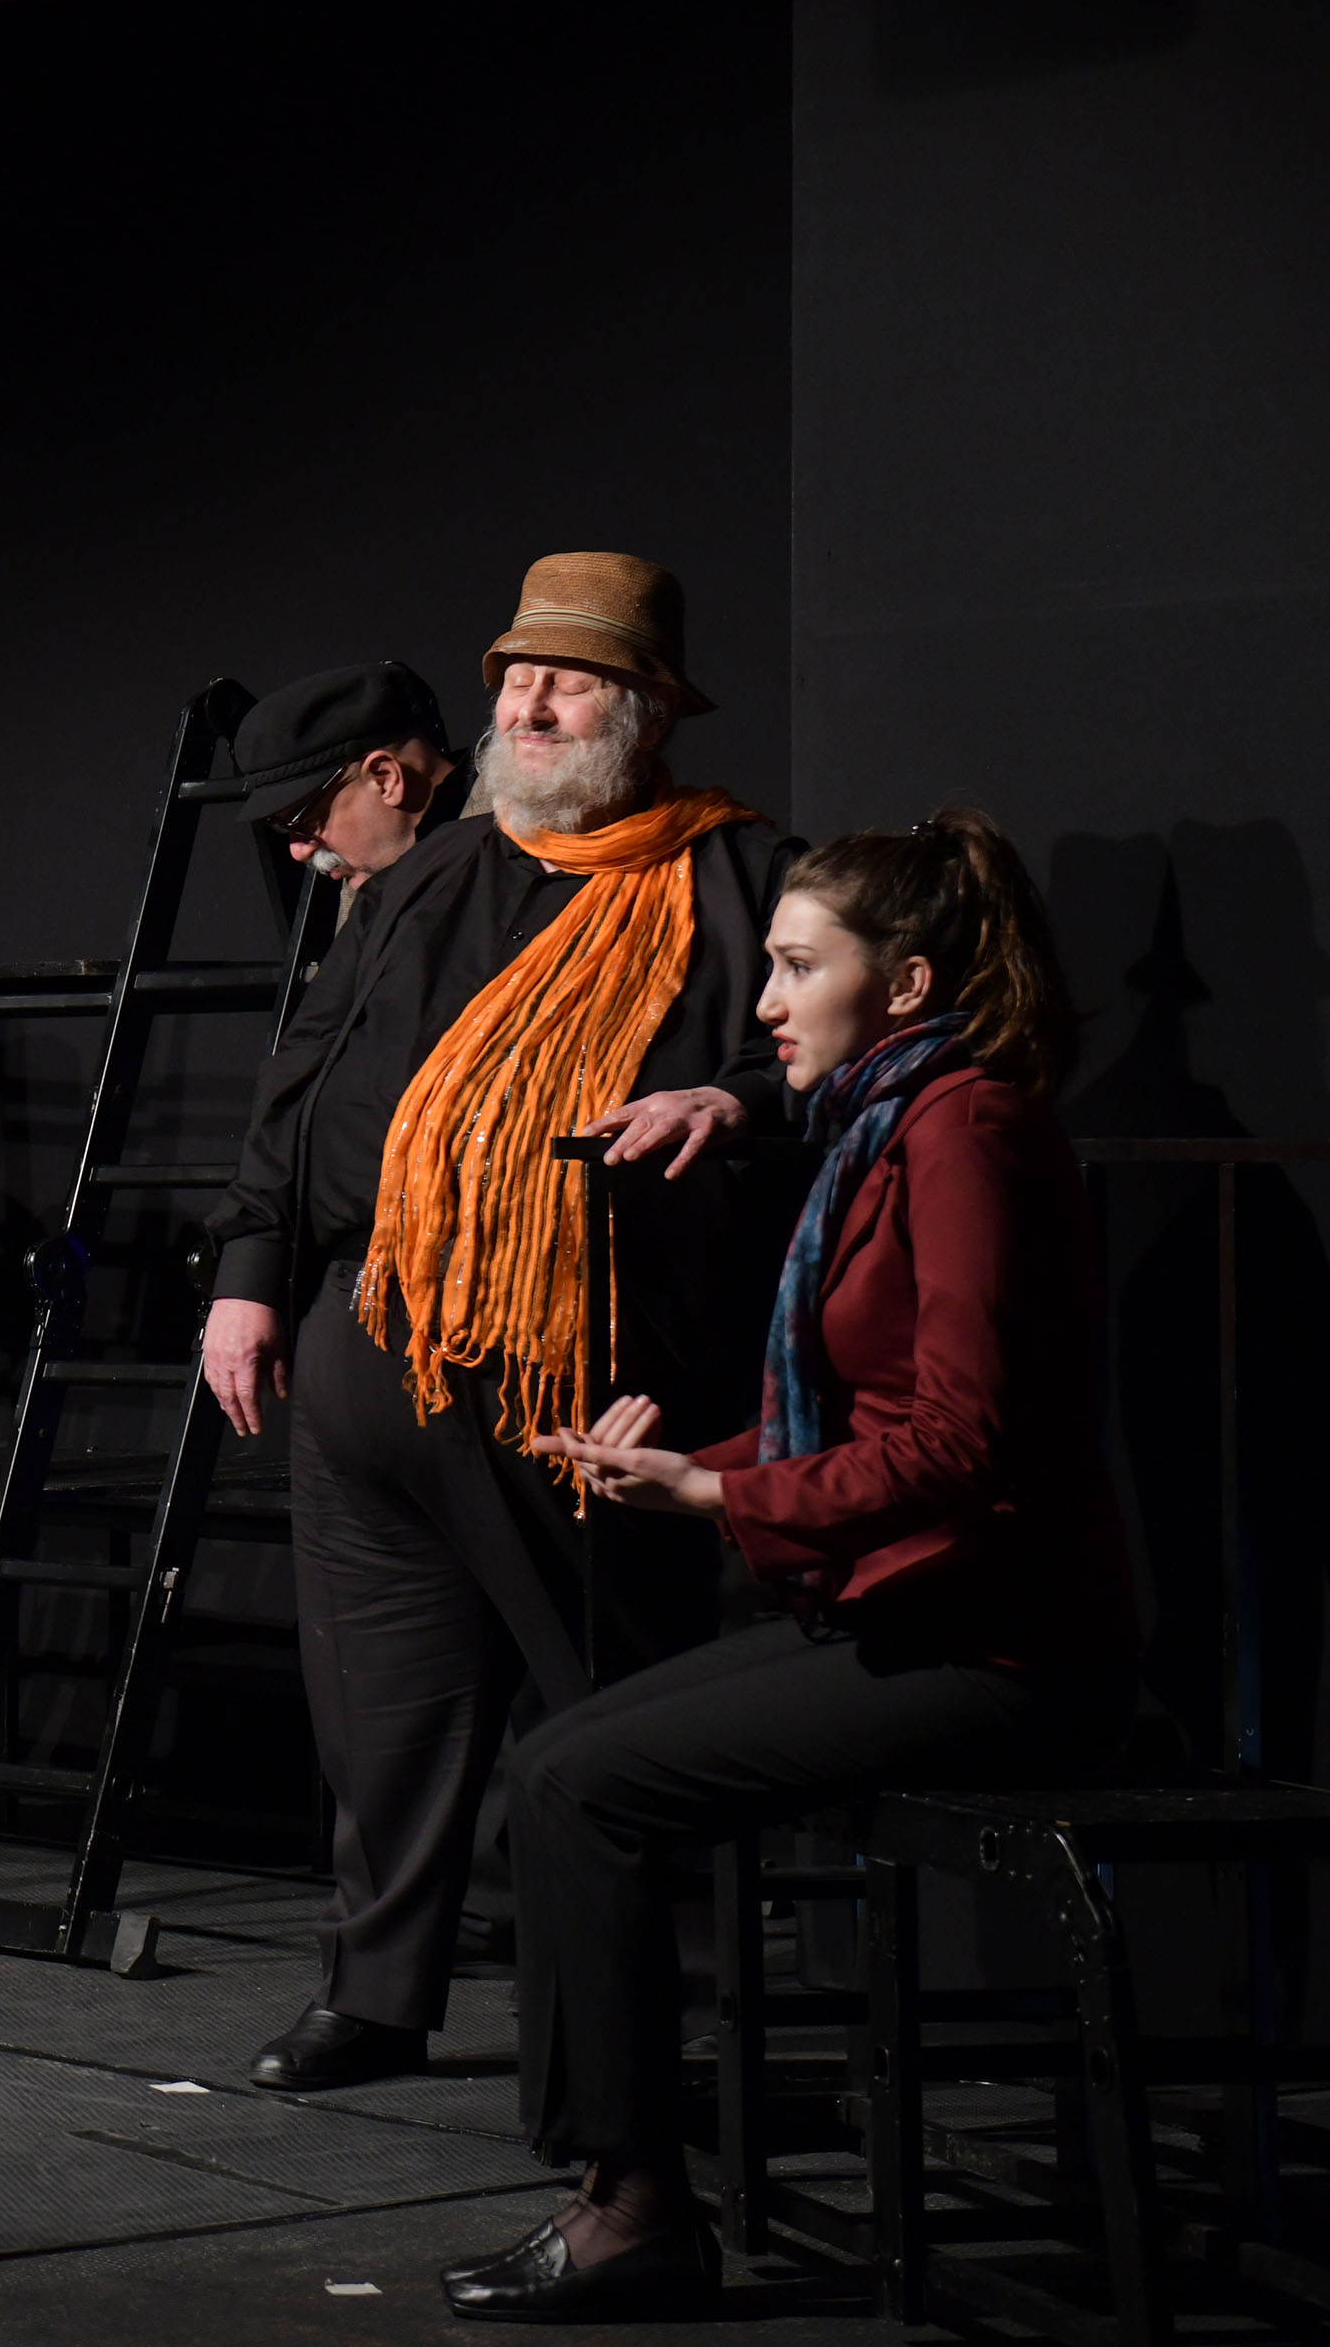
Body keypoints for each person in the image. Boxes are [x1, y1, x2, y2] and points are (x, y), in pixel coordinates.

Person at [440, 811, 1139, 2322]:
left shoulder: (966, 1129)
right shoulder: (892, 1122)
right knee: (556, 1762)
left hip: (1001, 1643)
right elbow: (858, 1414)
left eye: (799, 967)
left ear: (907, 984)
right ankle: (619, 2187)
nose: (764, 1003)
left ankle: (630, 2205)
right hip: (910, 1609)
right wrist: (688, 1467)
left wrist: (717, 1492)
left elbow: (960, 1442)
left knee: (577, 1789)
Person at [199, 553, 802, 2091]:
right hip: (370, 1346)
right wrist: (250, 1274)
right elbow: (304, 1081)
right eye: (517, 679)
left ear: (645, 709)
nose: (528, 706)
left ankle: (671, 2019)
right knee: (381, 1715)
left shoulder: (741, 878)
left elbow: (823, 1062)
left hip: (581, 1371)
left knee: (619, 1710)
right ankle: (377, 1991)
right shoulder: (433, 875)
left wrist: (734, 1100)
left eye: (568, 683)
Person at [232, 659, 477, 920]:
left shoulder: (502, 867)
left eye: (309, 822)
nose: (298, 851)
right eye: (284, 827)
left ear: (385, 778)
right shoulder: (368, 890)